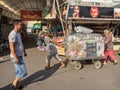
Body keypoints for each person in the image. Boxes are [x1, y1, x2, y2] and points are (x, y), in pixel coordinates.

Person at [8, 19, 27, 90]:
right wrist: (15, 57)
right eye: (20, 24)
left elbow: (20, 43)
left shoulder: (18, 33)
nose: (21, 26)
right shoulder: (12, 34)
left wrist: (24, 51)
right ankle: (14, 83)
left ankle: (17, 86)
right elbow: (11, 47)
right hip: (16, 56)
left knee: (18, 71)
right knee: (23, 71)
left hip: (19, 55)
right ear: (16, 25)